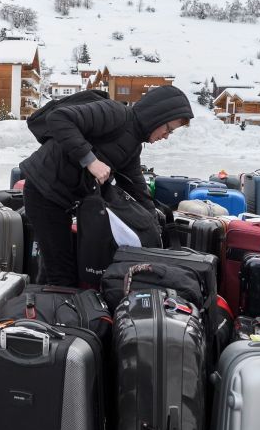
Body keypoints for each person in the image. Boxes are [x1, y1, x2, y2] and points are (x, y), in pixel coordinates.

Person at [20, 85, 193, 286]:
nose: (166, 136)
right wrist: (90, 160)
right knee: (61, 272)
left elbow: (135, 187)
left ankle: (43, 307)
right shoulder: (115, 113)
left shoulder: (133, 146)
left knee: (56, 266)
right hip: (44, 191)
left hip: (62, 199)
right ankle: (50, 313)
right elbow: (59, 118)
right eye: (168, 129)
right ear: (157, 116)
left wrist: (155, 226)